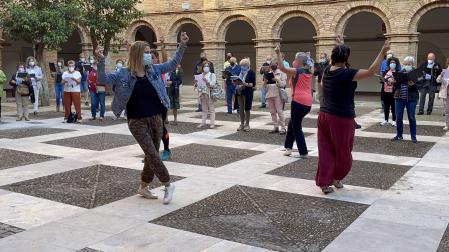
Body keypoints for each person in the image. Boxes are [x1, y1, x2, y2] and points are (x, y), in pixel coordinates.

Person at [96, 31, 189, 205]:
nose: (149, 55)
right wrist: (101, 60)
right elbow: (102, 78)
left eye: (150, 52)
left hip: (156, 118)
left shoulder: (154, 70)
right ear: (138, 54)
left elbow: (173, 63)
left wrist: (182, 45)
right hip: (136, 121)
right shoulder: (123, 73)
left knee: (150, 155)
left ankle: (143, 186)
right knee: (152, 153)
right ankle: (168, 184)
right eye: (146, 52)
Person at [316, 35, 390, 194]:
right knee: (343, 151)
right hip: (341, 118)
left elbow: (335, 62)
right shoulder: (347, 73)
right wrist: (383, 51)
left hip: (324, 115)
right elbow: (371, 71)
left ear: (333, 57)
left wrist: (340, 45)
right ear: (346, 58)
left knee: (325, 149)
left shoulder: (327, 70)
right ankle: (336, 177)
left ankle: (325, 182)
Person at [276, 49, 313, 158]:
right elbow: (310, 63)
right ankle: (288, 147)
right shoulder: (308, 70)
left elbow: (282, 68)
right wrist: (308, 57)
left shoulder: (298, 71)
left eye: (295, 59)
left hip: (298, 102)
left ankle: (303, 152)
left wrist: (278, 54)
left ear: (300, 61)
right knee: (292, 123)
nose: (293, 61)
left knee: (296, 127)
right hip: (308, 103)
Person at [392, 56, 420, 143]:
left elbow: (421, 85)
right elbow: (396, 87)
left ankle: (413, 136)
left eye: (409, 64)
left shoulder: (416, 73)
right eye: (405, 64)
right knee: (398, 117)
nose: (407, 65)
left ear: (412, 64)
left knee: (411, 117)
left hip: (411, 98)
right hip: (400, 98)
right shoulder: (400, 72)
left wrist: (413, 84)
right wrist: (394, 82)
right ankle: (399, 135)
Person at [264, 61, 287, 134]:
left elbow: (284, 84)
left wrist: (277, 80)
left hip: (278, 94)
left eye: (274, 64)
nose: (272, 66)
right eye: (271, 65)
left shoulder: (281, 73)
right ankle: (275, 127)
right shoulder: (268, 73)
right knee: (272, 111)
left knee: (279, 111)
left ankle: (283, 128)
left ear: (277, 65)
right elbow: (264, 85)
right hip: (270, 93)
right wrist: (265, 81)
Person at [233, 58, 255, 131]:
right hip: (239, 92)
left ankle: (247, 124)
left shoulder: (251, 72)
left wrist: (245, 84)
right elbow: (238, 81)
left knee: (247, 109)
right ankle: (242, 124)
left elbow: (253, 84)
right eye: (241, 65)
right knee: (241, 109)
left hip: (247, 92)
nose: (243, 66)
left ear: (248, 65)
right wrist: (235, 83)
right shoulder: (240, 73)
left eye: (244, 65)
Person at [196, 62, 217, 129]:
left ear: (210, 67)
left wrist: (207, 81)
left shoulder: (212, 75)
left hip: (209, 93)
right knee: (204, 109)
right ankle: (203, 123)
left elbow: (213, 84)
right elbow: (198, 85)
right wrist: (196, 84)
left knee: (211, 109)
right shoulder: (200, 75)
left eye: (207, 66)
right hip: (202, 93)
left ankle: (212, 124)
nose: (206, 67)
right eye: (205, 66)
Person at [381, 57, 400, 126]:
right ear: (388, 64)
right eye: (391, 63)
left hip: (393, 92)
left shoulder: (398, 73)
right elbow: (382, 82)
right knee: (386, 107)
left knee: (393, 107)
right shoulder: (385, 72)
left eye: (394, 63)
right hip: (385, 92)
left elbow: (399, 83)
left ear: (396, 64)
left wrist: (394, 81)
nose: (392, 64)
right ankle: (386, 120)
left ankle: (394, 120)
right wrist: (382, 80)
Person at [437, 58, 449, 131]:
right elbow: (438, 80)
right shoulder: (445, 71)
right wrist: (441, 76)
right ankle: (447, 125)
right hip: (446, 93)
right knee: (447, 110)